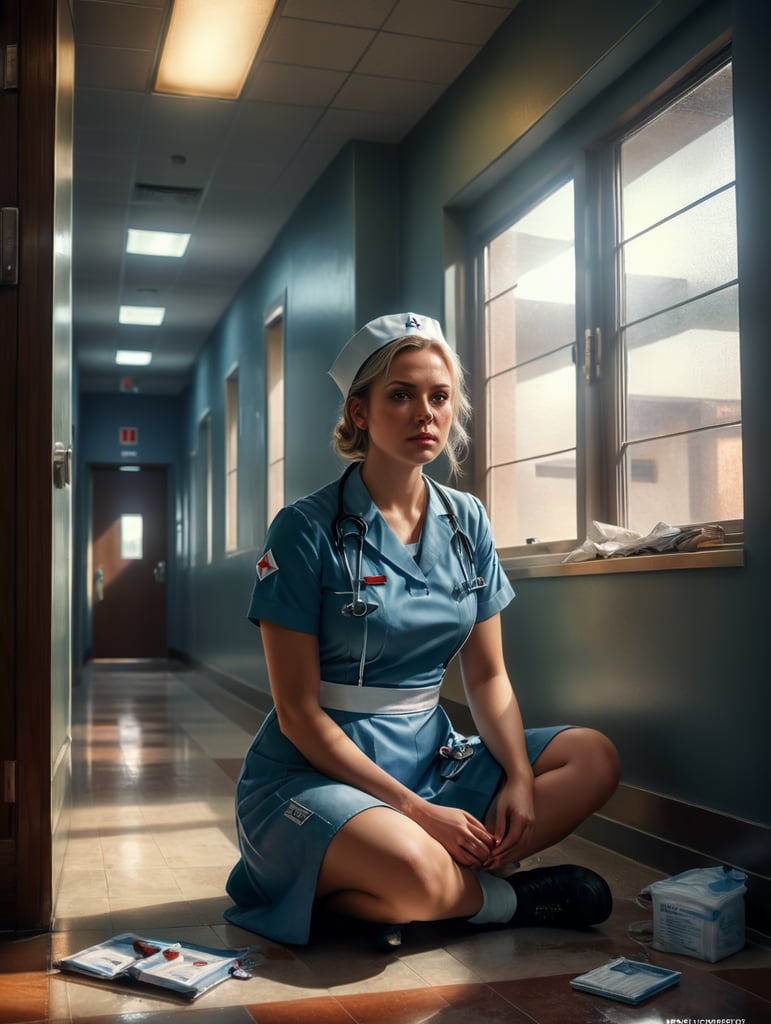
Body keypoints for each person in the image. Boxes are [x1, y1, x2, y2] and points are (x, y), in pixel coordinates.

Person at [224, 312, 620, 947]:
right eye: (400, 395)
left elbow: (487, 675)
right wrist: (417, 813)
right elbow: (297, 712)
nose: (424, 415)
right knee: (413, 862)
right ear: (360, 411)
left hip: (431, 755)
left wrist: (518, 775)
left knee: (593, 757)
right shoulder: (303, 529)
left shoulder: (467, 519)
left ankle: (412, 891)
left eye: (439, 397)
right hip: (313, 771)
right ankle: (504, 898)